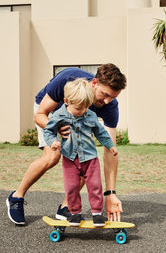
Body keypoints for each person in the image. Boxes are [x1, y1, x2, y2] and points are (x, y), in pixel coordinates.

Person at [6, 63, 126, 225]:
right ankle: (16, 197)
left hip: (78, 119)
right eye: (105, 94)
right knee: (52, 156)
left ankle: (66, 207)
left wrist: (110, 193)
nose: (107, 101)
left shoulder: (110, 106)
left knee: (86, 161)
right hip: (51, 112)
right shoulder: (68, 79)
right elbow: (40, 115)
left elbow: (110, 150)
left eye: (113, 97)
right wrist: (57, 129)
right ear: (94, 82)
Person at [44, 78, 118, 227]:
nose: (83, 111)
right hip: (70, 159)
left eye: (86, 107)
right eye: (79, 108)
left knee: (95, 186)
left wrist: (110, 145)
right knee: (71, 187)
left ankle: (97, 214)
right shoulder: (59, 115)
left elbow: (101, 132)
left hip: (90, 158)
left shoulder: (89, 115)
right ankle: (74, 213)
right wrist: (52, 141)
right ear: (66, 101)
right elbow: (48, 131)